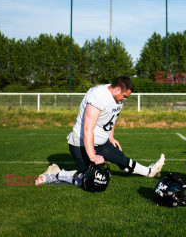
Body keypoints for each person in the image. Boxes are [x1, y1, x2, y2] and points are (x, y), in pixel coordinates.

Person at [36, 76, 165, 187]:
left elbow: (112, 117)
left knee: (121, 159)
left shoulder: (117, 97)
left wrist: (111, 137)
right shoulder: (99, 96)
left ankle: (151, 172)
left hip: (101, 141)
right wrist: (92, 155)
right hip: (81, 144)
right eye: (125, 96)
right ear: (117, 89)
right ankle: (56, 174)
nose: (125, 99)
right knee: (93, 179)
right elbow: (87, 128)